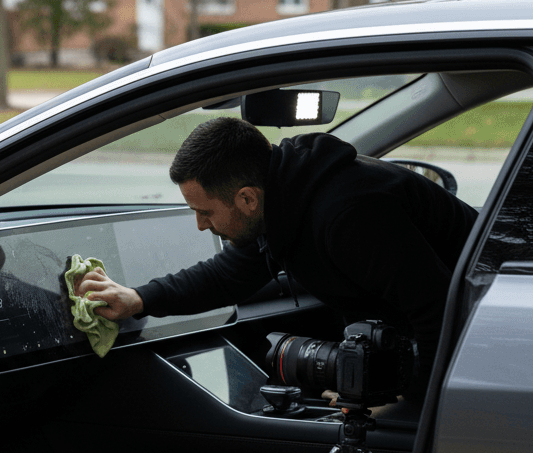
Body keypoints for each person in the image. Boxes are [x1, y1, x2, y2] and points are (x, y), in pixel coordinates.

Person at [74, 117, 478, 398]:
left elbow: (440, 312)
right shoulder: (284, 197)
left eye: (206, 212)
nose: (200, 225)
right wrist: (139, 299)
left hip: (480, 350)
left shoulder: (347, 214)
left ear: (247, 198)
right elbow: (228, 277)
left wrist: (406, 400)